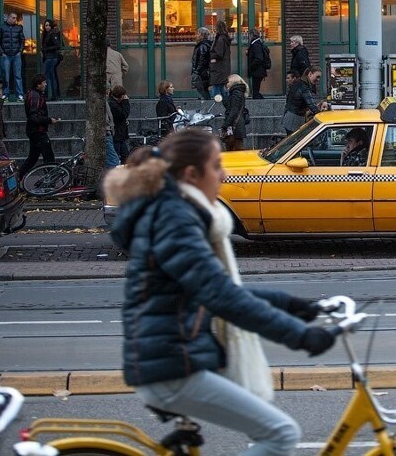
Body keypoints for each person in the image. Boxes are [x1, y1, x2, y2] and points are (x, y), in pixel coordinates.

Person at [102, 129, 336, 455]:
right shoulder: (174, 220)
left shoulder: (172, 211)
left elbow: (214, 288)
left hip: (175, 357)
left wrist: (295, 306)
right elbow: (221, 296)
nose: (223, 174)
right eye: (216, 166)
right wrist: (301, 336)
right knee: (280, 433)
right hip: (172, 367)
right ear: (191, 174)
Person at [19, 74, 58, 179]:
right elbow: (34, 116)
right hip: (38, 131)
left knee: (33, 158)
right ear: (38, 85)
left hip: (35, 130)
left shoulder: (35, 95)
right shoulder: (35, 96)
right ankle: (51, 179)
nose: (45, 84)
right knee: (48, 156)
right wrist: (49, 120)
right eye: (44, 82)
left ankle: (18, 177)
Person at [0, 11, 26, 101]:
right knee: (5, 76)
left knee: (18, 75)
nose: (15, 20)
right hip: (6, 55)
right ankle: (5, 94)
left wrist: (20, 51)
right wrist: (2, 53)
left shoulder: (19, 28)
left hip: (16, 55)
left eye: (16, 18)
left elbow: (22, 40)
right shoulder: (1, 28)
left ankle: (19, 95)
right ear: (8, 18)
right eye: (13, 18)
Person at [282, 69, 317, 135]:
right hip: (295, 117)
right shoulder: (301, 87)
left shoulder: (295, 87)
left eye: (288, 78)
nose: (286, 80)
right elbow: (311, 104)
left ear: (294, 78)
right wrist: (318, 113)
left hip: (291, 115)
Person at [222, 74, 249, 151]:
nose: (226, 84)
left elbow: (233, 110)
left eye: (227, 82)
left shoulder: (236, 93)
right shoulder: (237, 92)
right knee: (235, 146)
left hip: (235, 124)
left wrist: (226, 124)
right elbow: (230, 106)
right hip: (237, 124)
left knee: (236, 147)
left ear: (233, 82)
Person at [209, 21, 231, 101]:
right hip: (223, 67)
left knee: (217, 88)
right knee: (221, 87)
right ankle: (226, 104)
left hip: (218, 67)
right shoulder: (225, 39)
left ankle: (219, 105)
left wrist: (211, 55)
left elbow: (219, 54)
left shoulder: (220, 40)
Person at [41, 18, 63, 101]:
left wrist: (46, 49)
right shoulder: (47, 34)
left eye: (49, 25)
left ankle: (50, 95)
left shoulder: (53, 34)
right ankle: (53, 95)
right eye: (46, 25)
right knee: (50, 76)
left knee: (48, 76)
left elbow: (57, 46)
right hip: (49, 57)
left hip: (52, 57)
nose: (47, 27)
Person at [108, 85, 131, 164]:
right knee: (116, 155)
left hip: (120, 135)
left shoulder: (116, 103)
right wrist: (126, 102)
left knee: (125, 154)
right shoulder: (112, 104)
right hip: (116, 134)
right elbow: (123, 114)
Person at [191, 27, 213, 100]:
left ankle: (207, 101)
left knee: (202, 89)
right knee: (204, 89)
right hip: (204, 72)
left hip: (201, 73)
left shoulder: (202, 46)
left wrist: (197, 71)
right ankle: (207, 101)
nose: (196, 36)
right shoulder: (205, 45)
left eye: (197, 34)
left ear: (201, 35)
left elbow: (201, 60)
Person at [246, 28, 268, 100]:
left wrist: (251, 66)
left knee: (255, 91)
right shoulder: (257, 43)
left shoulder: (255, 44)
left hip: (257, 71)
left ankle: (261, 105)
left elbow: (258, 58)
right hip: (258, 71)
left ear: (251, 35)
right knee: (256, 90)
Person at [105, 99, 121, 168]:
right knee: (113, 159)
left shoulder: (104, 102)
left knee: (112, 159)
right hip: (107, 131)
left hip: (107, 131)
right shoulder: (103, 102)